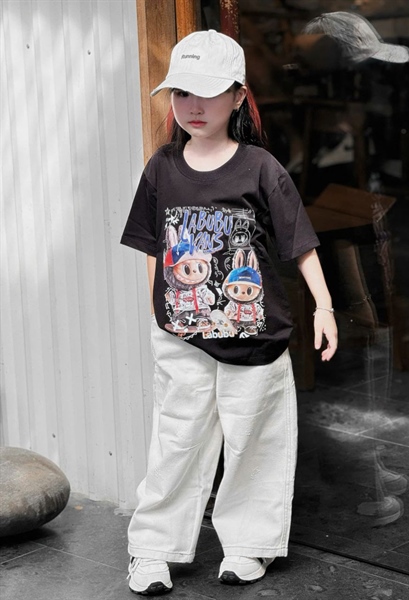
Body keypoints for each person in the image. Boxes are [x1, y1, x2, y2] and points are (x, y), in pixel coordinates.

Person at [121, 29, 337, 596]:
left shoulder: (261, 168)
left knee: (254, 442)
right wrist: (161, 311)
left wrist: (325, 306)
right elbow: (153, 246)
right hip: (182, 337)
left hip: (255, 339)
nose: (192, 106)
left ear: (239, 97)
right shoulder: (162, 167)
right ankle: (153, 548)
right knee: (176, 441)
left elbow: (299, 243)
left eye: (209, 92)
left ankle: (247, 546)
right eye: (181, 92)